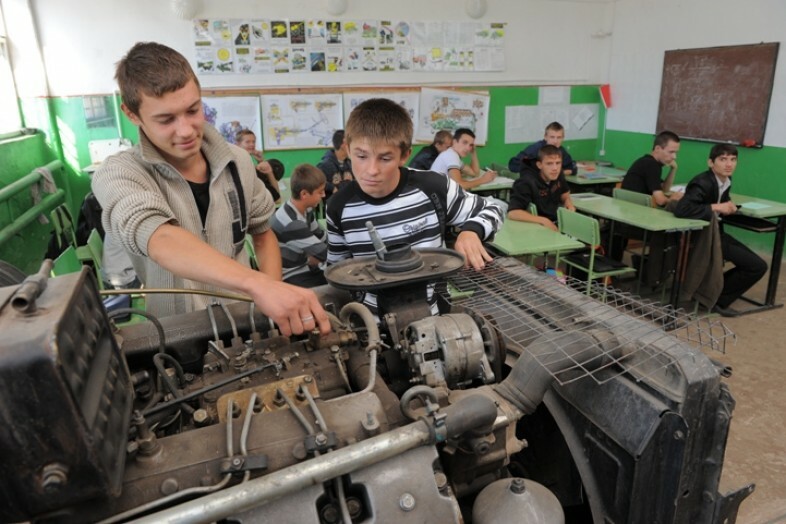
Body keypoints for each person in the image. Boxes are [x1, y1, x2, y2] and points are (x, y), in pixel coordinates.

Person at [91, 42, 329, 336]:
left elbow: (263, 233)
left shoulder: (238, 161)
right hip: (175, 335)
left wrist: (273, 298)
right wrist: (258, 284)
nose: (187, 130)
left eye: (193, 110)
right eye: (166, 119)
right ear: (132, 115)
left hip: (247, 324)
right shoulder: (119, 174)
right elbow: (160, 236)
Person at [326, 98, 503, 317]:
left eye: (385, 158)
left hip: (436, 317)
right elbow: (338, 271)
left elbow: (494, 209)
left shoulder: (433, 187)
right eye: (361, 156)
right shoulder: (338, 207)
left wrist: (470, 231)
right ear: (347, 147)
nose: (371, 170)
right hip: (372, 326)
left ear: (404, 155)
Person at [673, 143, 767, 315]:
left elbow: (718, 204)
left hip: (716, 234)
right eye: (723, 159)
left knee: (758, 265)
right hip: (701, 239)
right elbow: (682, 210)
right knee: (756, 266)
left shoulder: (726, 180)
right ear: (711, 163)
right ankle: (714, 298)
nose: (729, 164)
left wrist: (729, 207)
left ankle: (711, 294)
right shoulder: (702, 182)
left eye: (733, 160)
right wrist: (717, 207)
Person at [270, 164, 328, 288]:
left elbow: (321, 237)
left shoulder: (305, 210)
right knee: (337, 289)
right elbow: (324, 253)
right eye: (320, 192)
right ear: (304, 194)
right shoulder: (292, 223)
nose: (323, 195)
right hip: (290, 276)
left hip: (304, 266)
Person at [507, 145, 575, 231]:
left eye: (558, 163)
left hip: (557, 221)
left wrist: (568, 202)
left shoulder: (558, 174)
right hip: (536, 228)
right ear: (539, 165)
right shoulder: (525, 182)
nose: (555, 168)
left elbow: (565, 193)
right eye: (549, 163)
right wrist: (543, 221)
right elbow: (513, 213)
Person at [621, 130, 684, 207]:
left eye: (676, 153)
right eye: (671, 152)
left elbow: (665, 189)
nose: (674, 157)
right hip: (634, 211)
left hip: (629, 208)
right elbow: (660, 201)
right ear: (657, 149)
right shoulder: (651, 165)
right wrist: (673, 199)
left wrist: (673, 169)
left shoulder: (649, 162)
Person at [430, 128, 497, 190]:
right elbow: (458, 185)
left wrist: (473, 153)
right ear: (454, 142)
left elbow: (474, 173)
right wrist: (483, 180)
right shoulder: (451, 156)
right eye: (465, 142)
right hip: (437, 199)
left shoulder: (453, 155)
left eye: (470, 145)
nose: (468, 148)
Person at [508, 122, 577, 176]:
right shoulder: (535, 150)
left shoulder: (561, 151)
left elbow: (572, 168)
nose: (555, 141)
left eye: (559, 137)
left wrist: (556, 172)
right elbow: (513, 164)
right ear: (545, 137)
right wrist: (538, 171)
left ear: (563, 138)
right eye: (552, 137)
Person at [236, 129, 281, 204]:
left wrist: (262, 162)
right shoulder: (245, 169)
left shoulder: (253, 167)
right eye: (247, 142)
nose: (252, 144)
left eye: (253, 142)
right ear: (237, 144)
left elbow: (276, 194)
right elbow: (277, 199)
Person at [317, 129, 354, 197]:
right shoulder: (325, 165)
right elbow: (315, 181)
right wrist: (332, 188)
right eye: (350, 143)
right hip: (334, 203)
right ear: (344, 144)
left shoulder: (350, 163)